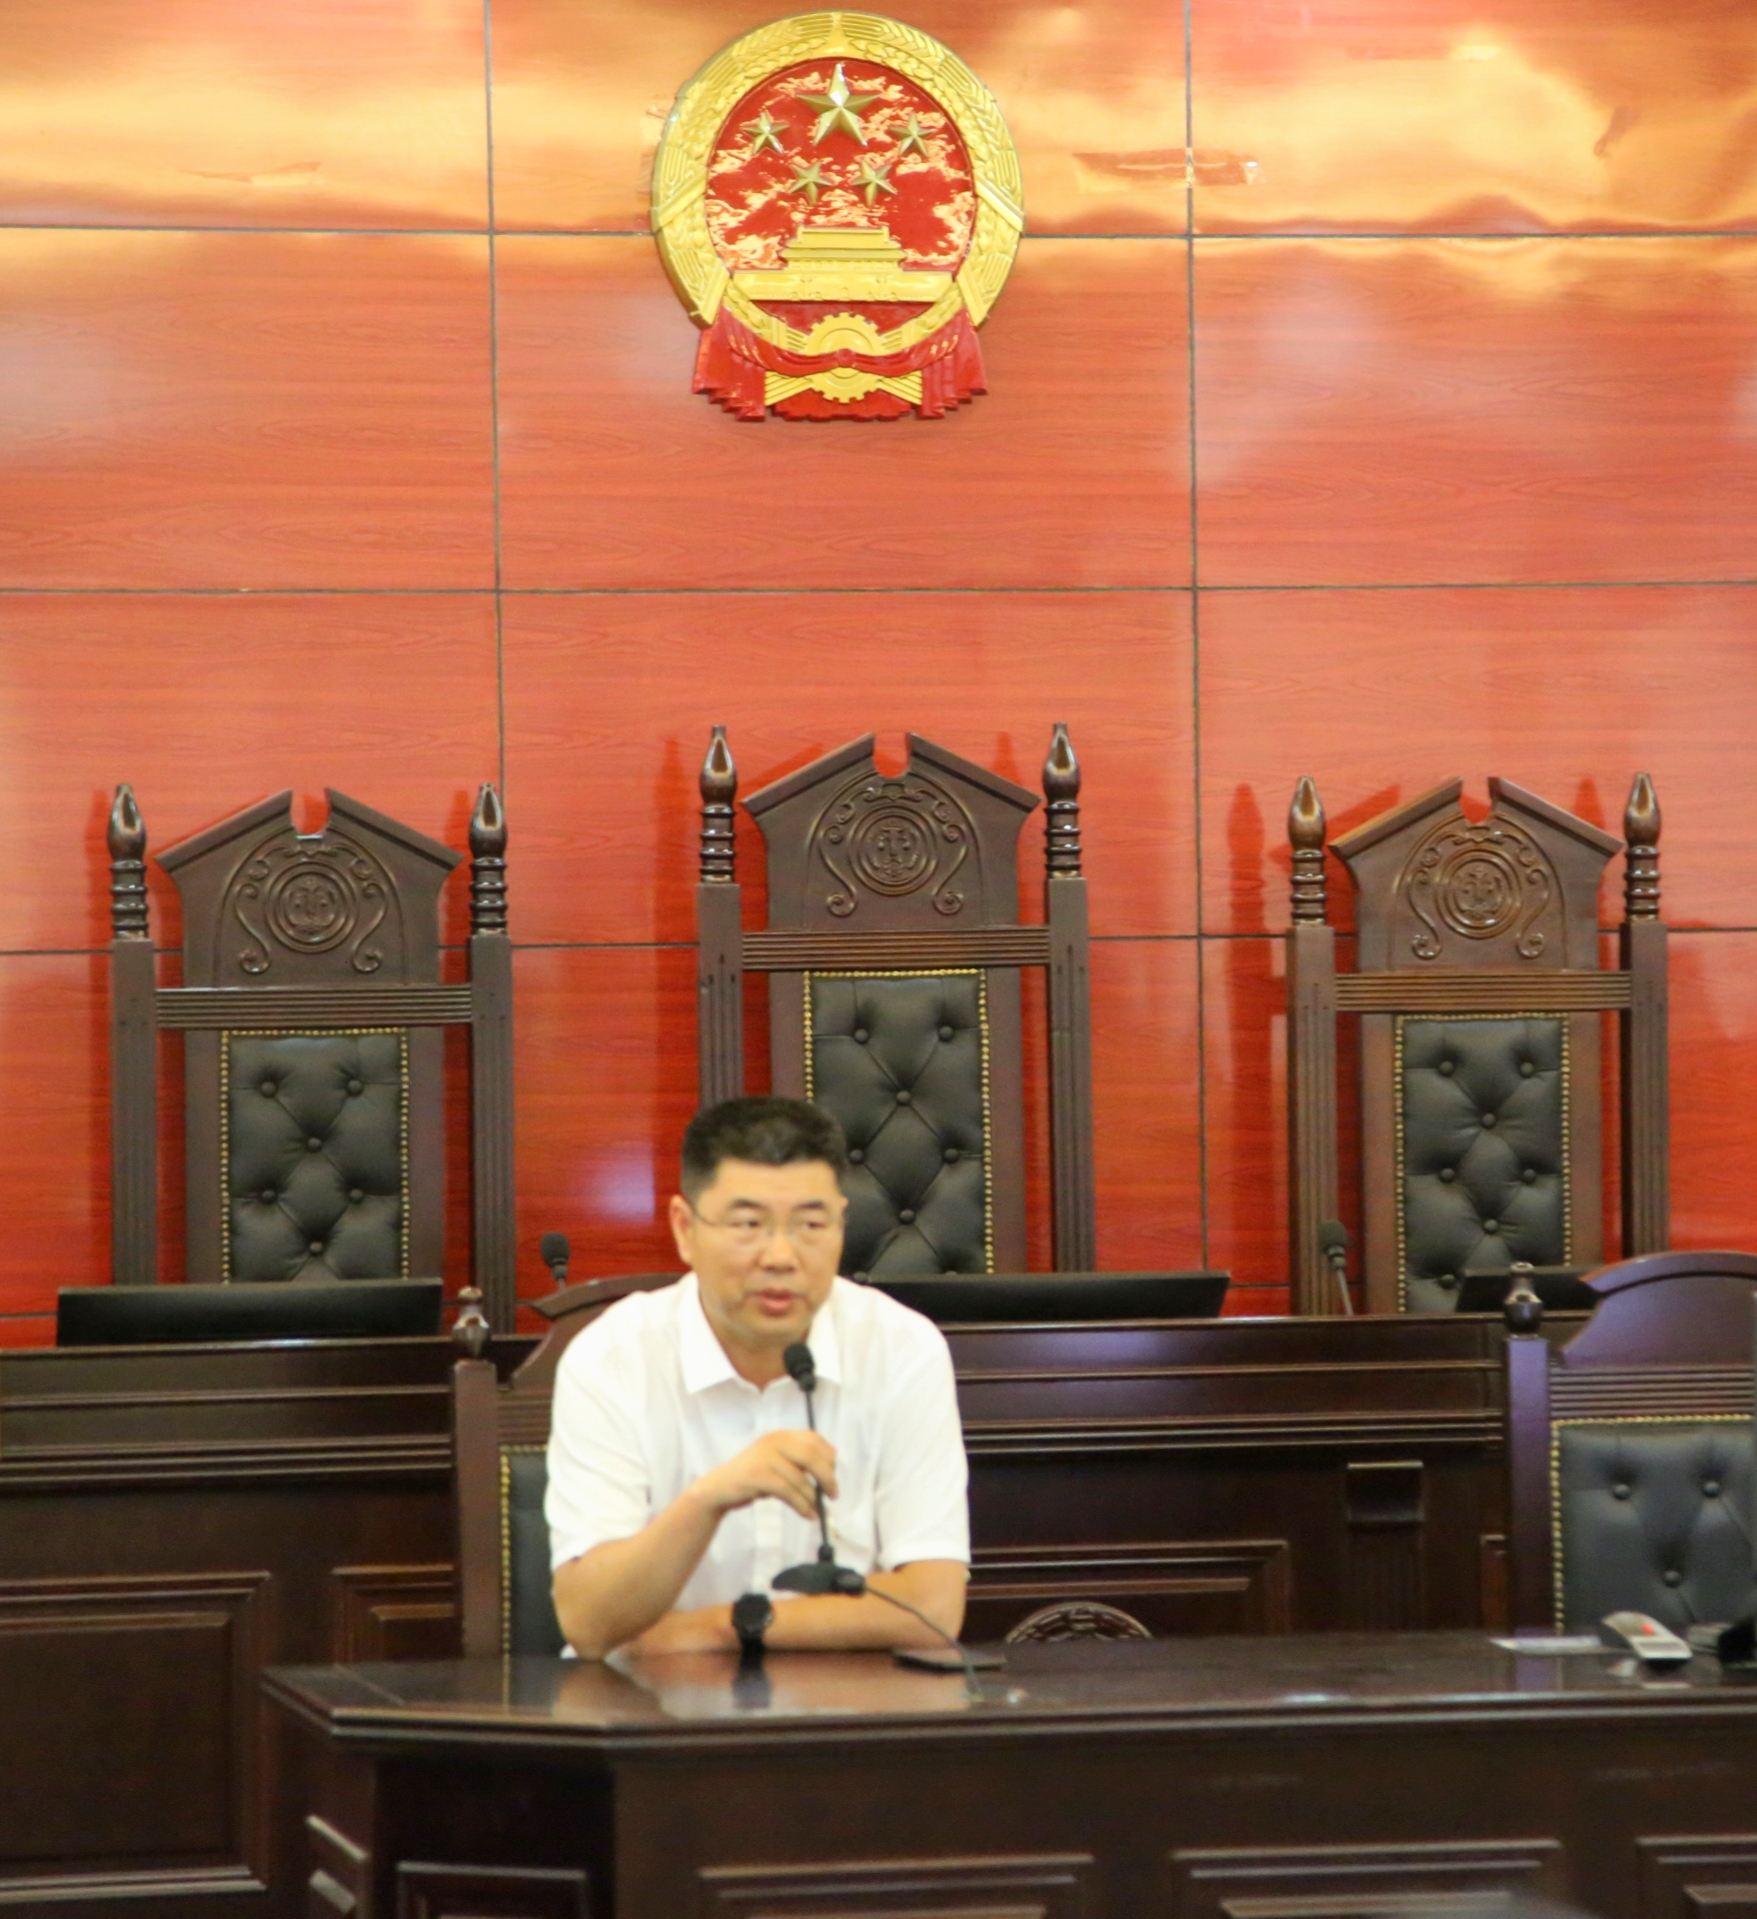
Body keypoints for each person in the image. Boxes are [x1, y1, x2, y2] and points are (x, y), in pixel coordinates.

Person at [547, 1096, 970, 1660]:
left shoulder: (902, 1349)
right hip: (646, 1702)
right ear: (685, 1229)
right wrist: (708, 1500)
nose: (781, 1256)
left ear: (842, 1224)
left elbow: (933, 1607)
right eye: (748, 1224)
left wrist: (722, 1629)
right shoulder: (611, 1359)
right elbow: (590, 1621)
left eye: (811, 1225)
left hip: (845, 1702)